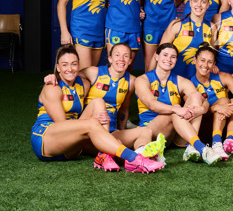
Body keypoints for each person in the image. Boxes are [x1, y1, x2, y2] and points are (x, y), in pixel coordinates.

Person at [31, 44, 164, 173]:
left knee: (98, 102)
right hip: (46, 140)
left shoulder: (83, 84)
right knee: (93, 124)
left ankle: (106, 154)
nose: (70, 69)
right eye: (64, 65)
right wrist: (51, 75)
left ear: (79, 65)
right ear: (58, 68)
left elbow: (119, 109)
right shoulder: (52, 88)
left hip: (71, 149)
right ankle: (134, 158)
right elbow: (62, 126)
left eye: (74, 64)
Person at [136, 43, 221, 165]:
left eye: (173, 57)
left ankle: (190, 147)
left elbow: (204, 101)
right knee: (175, 109)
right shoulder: (142, 80)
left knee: (196, 96)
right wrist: (176, 109)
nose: (168, 59)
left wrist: (201, 110)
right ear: (156, 56)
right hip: (150, 132)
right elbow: (152, 104)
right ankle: (201, 148)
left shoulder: (180, 81)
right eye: (165, 55)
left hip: (175, 134)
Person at [190, 43, 233, 161]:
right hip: (204, 128)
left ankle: (229, 140)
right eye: (202, 60)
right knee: (223, 100)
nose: (205, 65)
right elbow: (196, 112)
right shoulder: (189, 84)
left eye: (209, 62)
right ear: (194, 61)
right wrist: (216, 108)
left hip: (224, 124)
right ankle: (217, 143)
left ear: (214, 64)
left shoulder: (224, 77)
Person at [154, 0, 213, 80]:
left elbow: (211, 56)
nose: (199, 5)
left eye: (203, 1)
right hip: (174, 80)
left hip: (198, 82)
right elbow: (157, 54)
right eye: (195, 1)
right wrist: (149, 78)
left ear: (208, 5)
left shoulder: (212, 28)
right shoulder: (177, 25)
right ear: (190, 3)